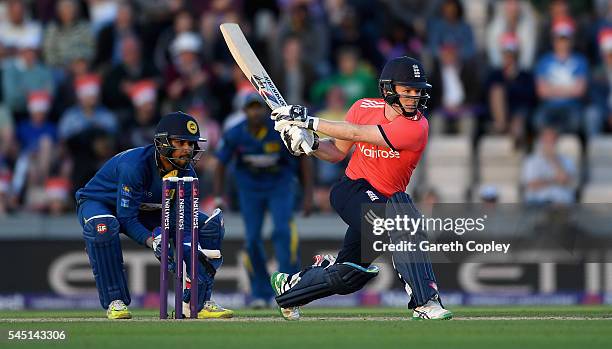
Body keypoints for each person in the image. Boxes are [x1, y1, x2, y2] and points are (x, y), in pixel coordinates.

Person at [267, 56, 452, 320]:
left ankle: (290, 287)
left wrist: (308, 123)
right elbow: (337, 152)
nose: (414, 97)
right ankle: (425, 302)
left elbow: (356, 134)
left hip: (384, 201)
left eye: (417, 90)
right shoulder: (362, 107)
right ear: (388, 89)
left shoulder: (417, 127)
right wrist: (310, 144)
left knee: (348, 275)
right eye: (407, 90)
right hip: (352, 191)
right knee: (403, 221)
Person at [75, 111, 233, 319]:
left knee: (207, 226)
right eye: (181, 143)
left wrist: (186, 250)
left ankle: (197, 301)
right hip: (103, 203)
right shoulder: (134, 166)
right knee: (103, 227)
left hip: (147, 209)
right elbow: (126, 218)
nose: (187, 149)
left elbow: (185, 223)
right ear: (162, 143)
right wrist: (153, 240)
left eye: (191, 144)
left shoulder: (187, 173)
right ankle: (116, 301)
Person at [213, 93, 313, 308]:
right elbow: (220, 163)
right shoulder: (235, 133)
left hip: (280, 185)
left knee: (282, 232)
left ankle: (289, 289)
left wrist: (308, 195)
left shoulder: (278, 130)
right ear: (244, 111)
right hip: (250, 189)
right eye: (251, 108)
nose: (255, 112)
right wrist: (219, 196)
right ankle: (260, 292)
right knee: (251, 240)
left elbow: (303, 159)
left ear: (266, 110)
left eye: (259, 107)